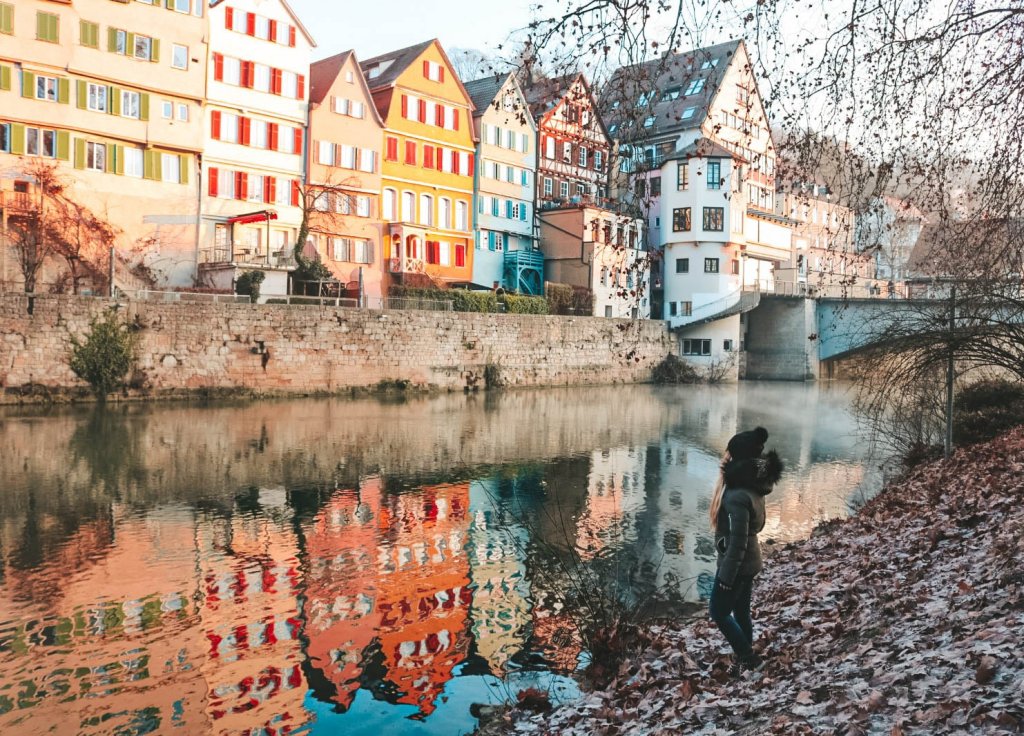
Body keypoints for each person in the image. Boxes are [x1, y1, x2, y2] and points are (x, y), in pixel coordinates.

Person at [708, 426, 783, 673]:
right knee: (741, 612)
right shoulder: (754, 485)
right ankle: (746, 657)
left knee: (718, 612)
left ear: (736, 458)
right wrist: (722, 541)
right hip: (750, 561)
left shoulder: (736, 494)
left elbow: (738, 541)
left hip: (738, 565)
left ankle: (748, 657)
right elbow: (752, 528)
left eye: (729, 453)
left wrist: (726, 579)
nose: (725, 457)